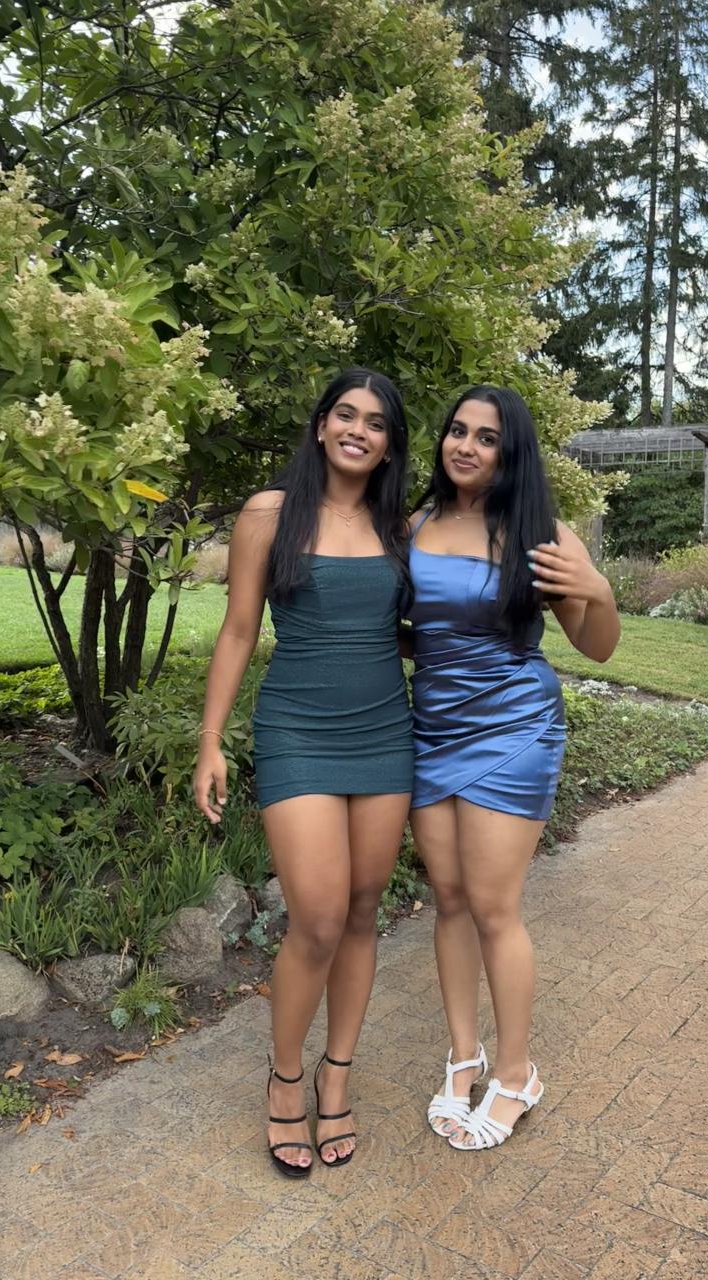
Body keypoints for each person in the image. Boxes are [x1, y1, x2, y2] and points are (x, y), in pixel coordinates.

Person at [193, 368, 413, 1178]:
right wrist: (211, 741)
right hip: (298, 730)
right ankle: (285, 1080)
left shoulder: (399, 525)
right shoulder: (269, 513)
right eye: (345, 414)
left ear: (389, 444)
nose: (359, 430)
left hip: (386, 732)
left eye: (376, 422)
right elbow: (238, 630)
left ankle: (337, 1076)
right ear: (321, 425)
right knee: (317, 918)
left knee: (361, 910)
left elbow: (409, 628)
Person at [407, 385, 620, 1151]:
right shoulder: (416, 524)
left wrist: (597, 590)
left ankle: (518, 1072)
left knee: (494, 907)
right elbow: (414, 628)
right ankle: (463, 1057)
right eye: (457, 431)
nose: (465, 446)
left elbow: (598, 647)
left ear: (511, 451)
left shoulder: (542, 536)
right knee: (450, 900)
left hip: (513, 729)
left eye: (486, 437)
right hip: (432, 727)